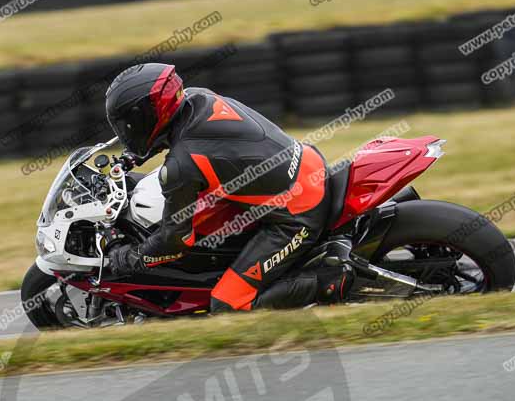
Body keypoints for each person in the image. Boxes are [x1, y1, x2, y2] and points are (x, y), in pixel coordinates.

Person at [106, 63, 353, 311]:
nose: (126, 130)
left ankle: (327, 282)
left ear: (146, 115)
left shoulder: (182, 166)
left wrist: (129, 258)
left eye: (128, 123)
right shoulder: (198, 97)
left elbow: (175, 241)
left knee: (228, 305)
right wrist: (132, 158)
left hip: (299, 212)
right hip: (308, 162)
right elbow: (179, 137)